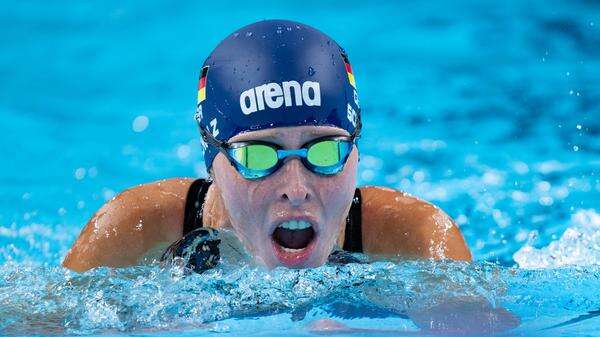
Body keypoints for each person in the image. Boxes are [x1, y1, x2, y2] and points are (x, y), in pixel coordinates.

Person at [62, 19, 471, 273]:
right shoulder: (131, 234)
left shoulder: (420, 243)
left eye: (324, 151)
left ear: (356, 153)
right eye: (259, 156)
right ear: (213, 161)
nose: (296, 186)